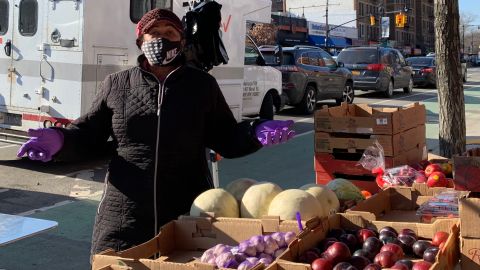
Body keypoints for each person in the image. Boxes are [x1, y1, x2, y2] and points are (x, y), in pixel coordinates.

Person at [16, 9, 295, 256]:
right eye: (153, 33)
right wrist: (61, 140)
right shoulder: (117, 84)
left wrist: (254, 130)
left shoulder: (201, 85)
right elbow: (89, 135)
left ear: (182, 41)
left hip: (187, 212)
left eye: (169, 32)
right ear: (140, 42)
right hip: (123, 215)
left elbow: (226, 137)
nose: (161, 38)